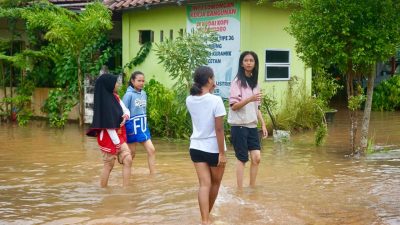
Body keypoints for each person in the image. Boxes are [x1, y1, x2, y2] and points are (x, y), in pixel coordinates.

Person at [186, 66, 227, 225]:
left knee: (204, 185)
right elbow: (219, 129)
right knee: (215, 184)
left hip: (196, 147)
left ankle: (204, 220)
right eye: (213, 78)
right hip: (213, 149)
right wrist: (222, 153)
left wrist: (210, 91)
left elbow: (202, 104)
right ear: (209, 80)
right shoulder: (216, 100)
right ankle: (207, 217)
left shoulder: (189, 99)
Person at [228, 51, 268, 188]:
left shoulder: (255, 83)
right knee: (242, 159)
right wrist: (250, 98)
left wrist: (263, 124)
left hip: (252, 126)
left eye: (251, 60)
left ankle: (252, 187)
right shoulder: (237, 82)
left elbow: (257, 107)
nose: (249, 63)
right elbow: (234, 106)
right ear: (241, 63)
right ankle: (239, 190)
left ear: (255, 63)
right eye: (246, 60)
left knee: (257, 157)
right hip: (239, 125)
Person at [86, 74, 132, 188]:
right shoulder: (104, 104)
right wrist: (117, 144)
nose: (118, 84)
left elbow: (126, 109)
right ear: (109, 85)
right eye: (116, 82)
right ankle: (103, 190)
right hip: (108, 138)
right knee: (109, 165)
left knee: (128, 160)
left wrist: (126, 116)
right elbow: (109, 126)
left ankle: (126, 189)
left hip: (118, 136)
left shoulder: (115, 97)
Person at [122, 71, 156, 174]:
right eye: (139, 80)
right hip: (131, 127)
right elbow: (123, 111)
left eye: (143, 81)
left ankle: (153, 175)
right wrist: (128, 128)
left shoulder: (144, 93)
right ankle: (127, 174)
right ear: (132, 81)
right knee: (131, 154)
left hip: (142, 127)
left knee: (152, 150)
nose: (141, 83)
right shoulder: (128, 95)